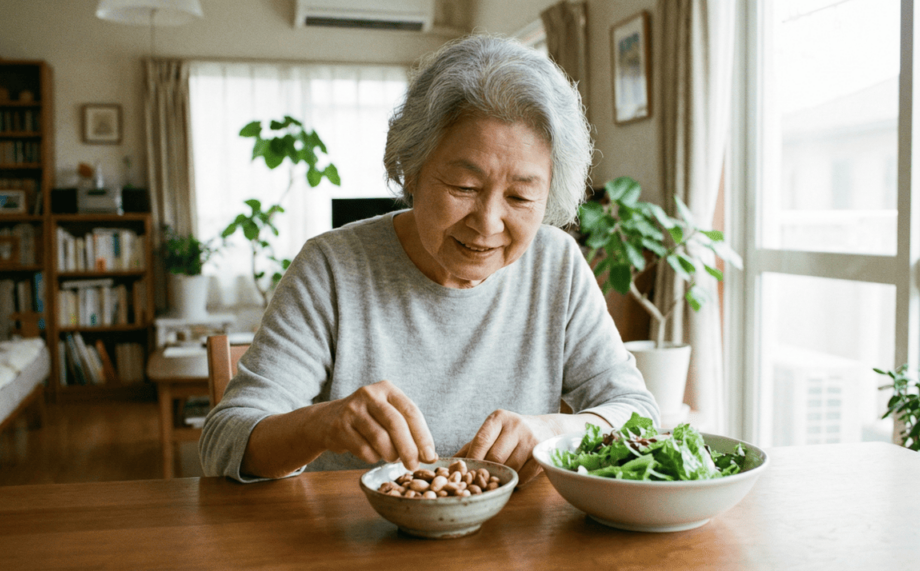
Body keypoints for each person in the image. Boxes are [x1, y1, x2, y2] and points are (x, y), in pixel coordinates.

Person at [199, 34, 659, 485]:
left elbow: (637, 413)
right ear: (411, 169)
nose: (488, 223)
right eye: (464, 187)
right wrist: (322, 422)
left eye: (520, 196)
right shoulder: (332, 268)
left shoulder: (556, 265)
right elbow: (224, 440)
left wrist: (554, 430)